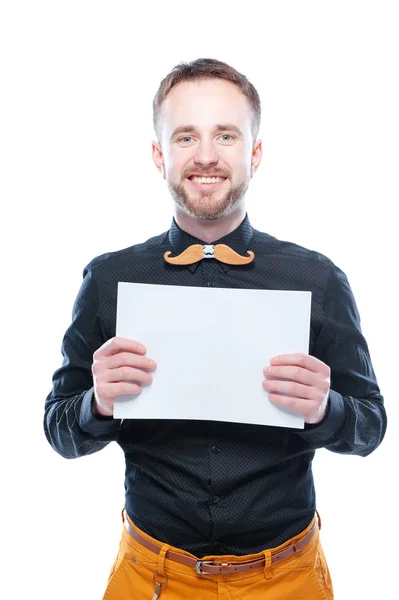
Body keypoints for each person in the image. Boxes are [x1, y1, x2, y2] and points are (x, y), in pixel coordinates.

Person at [44, 58, 387, 599]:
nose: (206, 155)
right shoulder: (110, 279)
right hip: (149, 576)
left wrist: (327, 409)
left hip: (289, 579)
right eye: (186, 136)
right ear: (159, 155)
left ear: (255, 152)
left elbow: (371, 427)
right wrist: (98, 402)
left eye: (225, 135)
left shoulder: (317, 279)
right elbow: (58, 429)